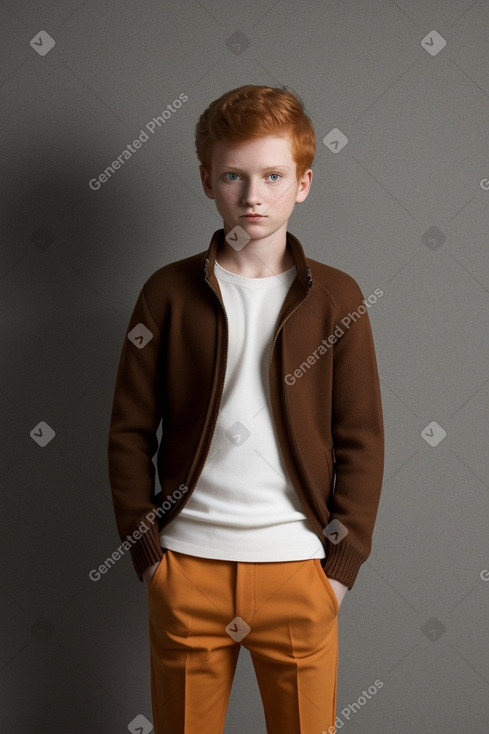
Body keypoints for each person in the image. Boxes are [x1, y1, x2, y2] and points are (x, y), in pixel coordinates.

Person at [107, 84, 384, 734]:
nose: (252, 195)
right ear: (207, 180)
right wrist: (149, 557)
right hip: (186, 568)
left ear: (303, 183)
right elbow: (128, 433)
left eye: (272, 175)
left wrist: (338, 572)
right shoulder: (167, 293)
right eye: (233, 175)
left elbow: (362, 440)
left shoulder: (336, 297)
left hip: (297, 571)